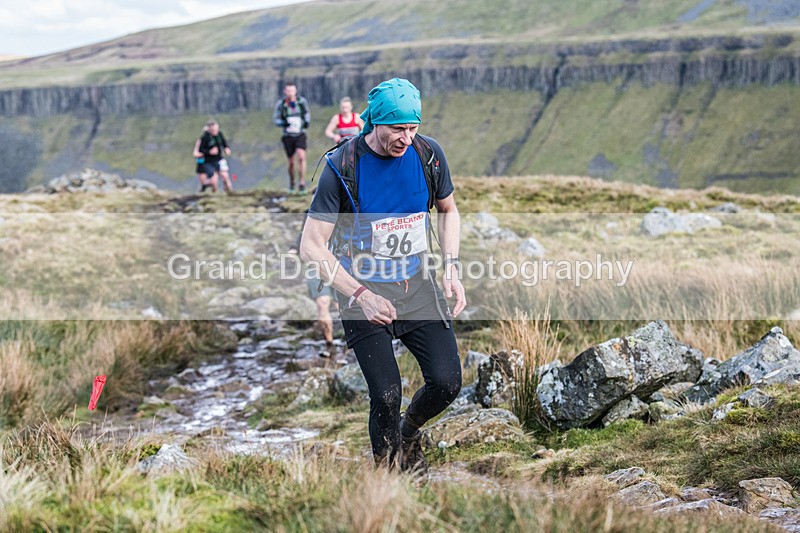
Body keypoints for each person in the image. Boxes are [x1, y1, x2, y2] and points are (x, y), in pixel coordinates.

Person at [300, 77, 466, 474]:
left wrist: (452, 267)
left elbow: (449, 211)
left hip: (416, 284)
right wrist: (360, 295)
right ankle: (390, 482)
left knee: (447, 383)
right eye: (397, 128)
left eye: (413, 127)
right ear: (375, 121)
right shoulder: (343, 166)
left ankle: (409, 432)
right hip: (362, 291)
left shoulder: (429, 155)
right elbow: (311, 245)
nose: (406, 138)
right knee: (387, 394)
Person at [289, 209, 337, 358]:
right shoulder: (309, 213)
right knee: (322, 303)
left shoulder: (342, 211)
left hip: (340, 265)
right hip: (315, 267)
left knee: (341, 305)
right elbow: (304, 234)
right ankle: (330, 344)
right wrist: (293, 250)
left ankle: (355, 340)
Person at [273, 82, 311, 194]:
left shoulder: (301, 102)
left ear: (295, 91)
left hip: (300, 134)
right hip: (288, 136)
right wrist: (283, 123)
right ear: (285, 91)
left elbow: (307, 113)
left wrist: (306, 122)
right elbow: (276, 118)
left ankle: (302, 183)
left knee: (301, 156)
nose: (290, 93)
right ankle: (292, 183)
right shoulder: (281, 104)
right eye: (288, 91)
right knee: (291, 162)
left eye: (292, 90)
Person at [194, 120, 232, 193]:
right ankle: (205, 186)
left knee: (225, 176)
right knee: (213, 181)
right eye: (213, 130)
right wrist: (209, 152)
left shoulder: (219, 135)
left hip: (219, 159)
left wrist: (226, 148)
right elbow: (198, 152)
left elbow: (224, 143)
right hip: (206, 161)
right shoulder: (204, 138)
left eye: (216, 130)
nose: (215, 132)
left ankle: (230, 192)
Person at [193, 125, 217, 192]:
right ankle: (204, 187)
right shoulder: (200, 140)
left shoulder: (214, 140)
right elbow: (196, 153)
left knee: (213, 177)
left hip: (211, 161)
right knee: (203, 175)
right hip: (202, 160)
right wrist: (207, 153)